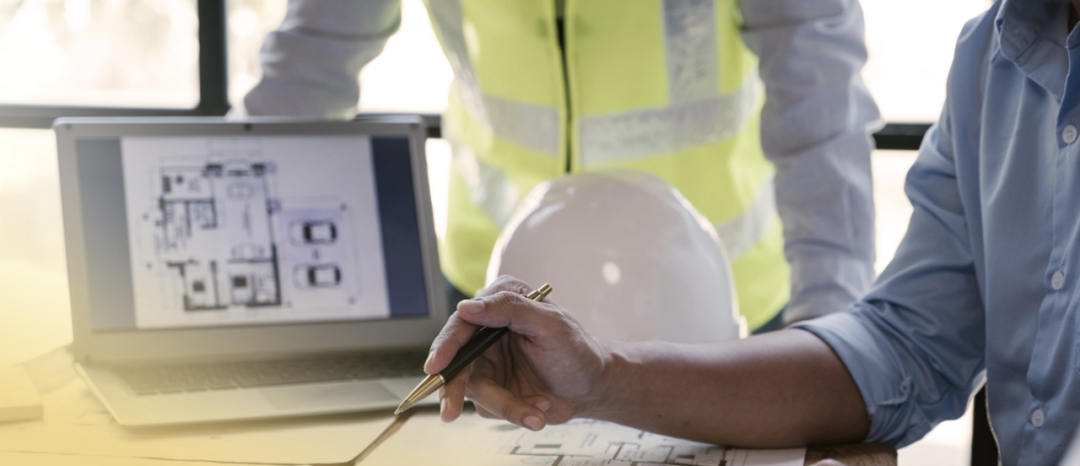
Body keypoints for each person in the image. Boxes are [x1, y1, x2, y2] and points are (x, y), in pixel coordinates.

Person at [423, 0, 1080, 464]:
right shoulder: (992, 58)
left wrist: (822, 305)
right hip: (502, 274)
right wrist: (600, 376)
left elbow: (818, 107)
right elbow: (909, 349)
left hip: (726, 285)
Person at [238, 0, 881, 333]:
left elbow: (821, 107)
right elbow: (305, 73)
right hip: (491, 294)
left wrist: (828, 335)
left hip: (715, 303)